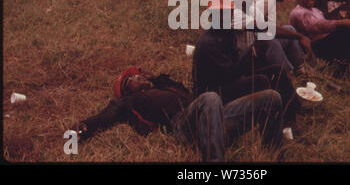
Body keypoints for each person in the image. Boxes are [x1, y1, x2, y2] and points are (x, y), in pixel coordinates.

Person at [69, 66, 283, 162]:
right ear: (126, 90)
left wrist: (156, 78)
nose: (137, 77)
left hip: (214, 120)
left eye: (138, 74)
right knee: (210, 98)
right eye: (131, 79)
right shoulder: (128, 101)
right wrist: (84, 126)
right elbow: (107, 114)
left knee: (271, 97)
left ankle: (273, 153)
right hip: (184, 126)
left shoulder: (164, 86)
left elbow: (186, 90)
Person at [194, 0, 301, 126]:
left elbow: (238, 65)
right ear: (211, 15)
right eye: (220, 14)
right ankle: (269, 123)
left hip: (228, 80)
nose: (224, 17)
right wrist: (255, 50)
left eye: (228, 13)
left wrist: (258, 53)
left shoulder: (227, 33)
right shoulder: (209, 42)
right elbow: (232, 73)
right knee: (261, 81)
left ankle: (293, 113)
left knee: (276, 71)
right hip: (214, 92)